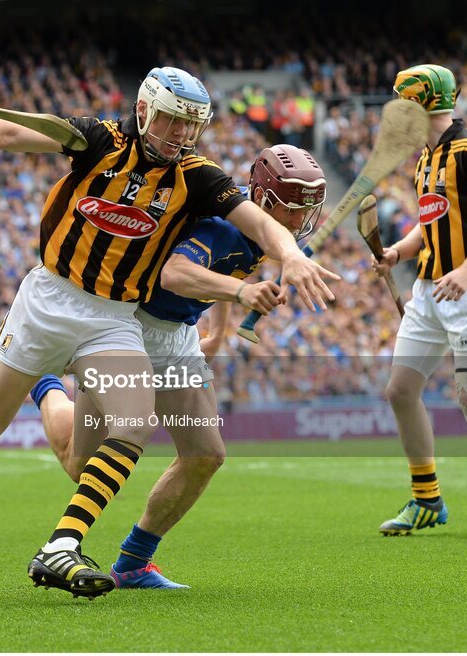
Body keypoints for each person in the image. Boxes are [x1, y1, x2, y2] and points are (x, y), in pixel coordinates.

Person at [0, 67, 340, 598]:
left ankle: (62, 546)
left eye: (191, 126)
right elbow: (8, 133)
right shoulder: (98, 138)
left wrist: (286, 255)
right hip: (49, 298)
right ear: (144, 111)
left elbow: (256, 224)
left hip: (116, 315)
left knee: (134, 425)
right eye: (171, 121)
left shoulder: (200, 176)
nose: (181, 135)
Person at [30, 144, 327, 589]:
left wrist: (221, 328)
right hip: (127, 327)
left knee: (205, 453)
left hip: (177, 337)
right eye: (293, 209)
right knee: (81, 463)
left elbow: (234, 275)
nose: (302, 221)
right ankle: (47, 386)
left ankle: (132, 562)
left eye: (309, 209)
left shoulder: (263, 237)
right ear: (262, 200)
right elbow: (175, 273)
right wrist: (242, 295)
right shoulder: (223, 228)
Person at [371, 65, 467, 539]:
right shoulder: (426, 156)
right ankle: (426, 500)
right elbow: (433, 220)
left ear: (422, 104)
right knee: (400, 391)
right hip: (428, 290)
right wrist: (400, 250)